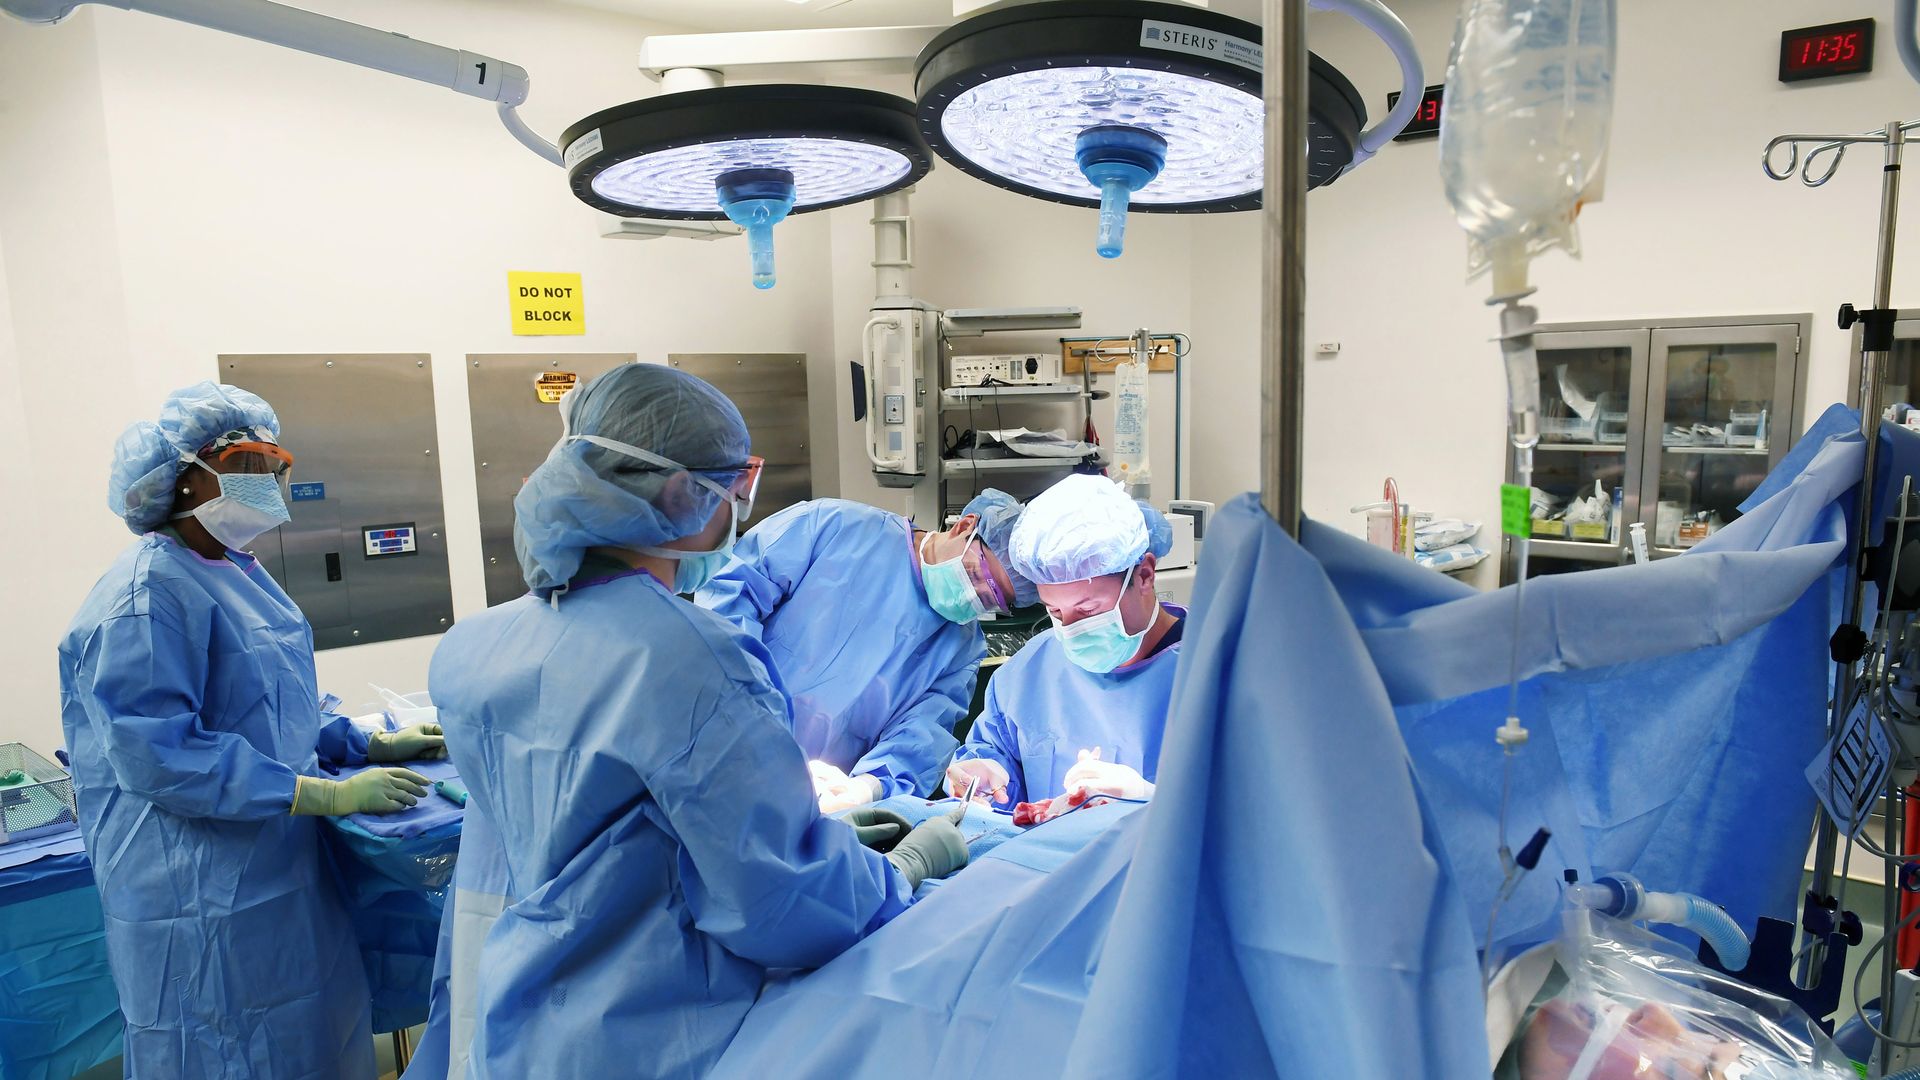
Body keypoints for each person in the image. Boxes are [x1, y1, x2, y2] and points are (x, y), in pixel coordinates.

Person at [428, 363, 967, 1079]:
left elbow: (619, 834)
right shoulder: (688, 657)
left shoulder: (474, 645)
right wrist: (895, 872)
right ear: (683, 492)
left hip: (524, 1015)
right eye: (735, 489)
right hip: (658, 1032)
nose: (741, 512)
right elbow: (777, 898)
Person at [59, 381, 444, 1079]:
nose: (265, 481)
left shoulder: (238, 571)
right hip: (198, 893)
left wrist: (362, 742)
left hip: (276, 869)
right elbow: (158, 753)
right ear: (178, 482)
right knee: (225, 1049)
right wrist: (321, 794)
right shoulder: (147, 595)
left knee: (313, 1039)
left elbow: (276, 701)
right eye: (243, 464)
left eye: (274, 464)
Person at [696, 490, 1035, 811]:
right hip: (717, 738)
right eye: (977, 573)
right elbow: (731, 596)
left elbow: (920, 737)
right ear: (963, 527)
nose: (973, 595)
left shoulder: (960, 650)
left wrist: (867, 787)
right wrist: (744, 703)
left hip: (810, 796)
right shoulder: (834, 527)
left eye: (992, 599)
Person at [946, 474, 1181, 809]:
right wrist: (987, 775)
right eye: (1054, 610)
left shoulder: (1215, 675)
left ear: (1144, 575)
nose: (1070, 629)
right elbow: (999, 763)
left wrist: (1154, 804)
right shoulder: (1030, 671)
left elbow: (1254, 816)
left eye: (1088, 610)